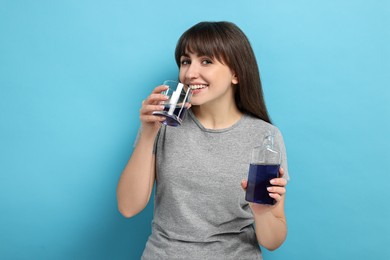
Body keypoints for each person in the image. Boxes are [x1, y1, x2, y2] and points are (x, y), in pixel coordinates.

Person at [117, 21, 289, 259]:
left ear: (236, 74)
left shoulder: (264, 136)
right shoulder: (163, 124)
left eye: (206, 61)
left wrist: (262, 214)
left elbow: (272, 241)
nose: (189, 73)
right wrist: (148, 133)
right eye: (186, 61)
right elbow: (128, 207)